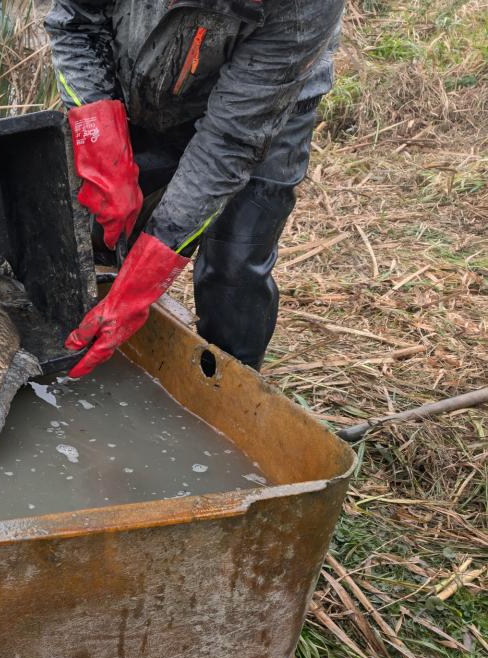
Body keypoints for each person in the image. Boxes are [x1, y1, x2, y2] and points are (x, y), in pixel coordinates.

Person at [46, 0, 342, 377]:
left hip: (267, 100)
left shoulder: (306, 9)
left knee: (235, 266)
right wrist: (98, 135)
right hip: (148, 73)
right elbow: (76, 23)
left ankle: (230, 387)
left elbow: (228, 142)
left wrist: (151, 270)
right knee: (103, 228)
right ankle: (94, 346)